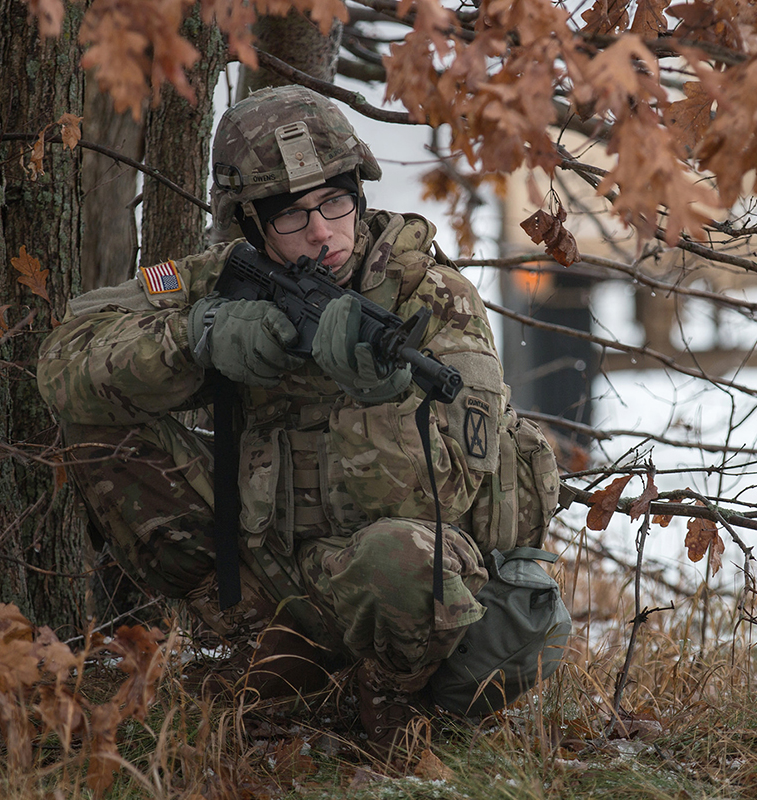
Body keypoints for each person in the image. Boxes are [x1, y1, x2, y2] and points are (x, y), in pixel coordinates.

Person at [36, 85, 560, 750]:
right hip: (267, 571)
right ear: (252, 224)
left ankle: (394, 697)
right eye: (291, 214)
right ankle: (264, 648)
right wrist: (197, 340)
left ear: (359, 195)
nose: (320, 231)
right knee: (96, 414)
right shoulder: (232, 276)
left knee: (401, 558)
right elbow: (65, 364)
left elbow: (444, 502)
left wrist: (377, 398)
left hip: (390, 584)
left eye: (335, 201)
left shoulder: (431, 299)